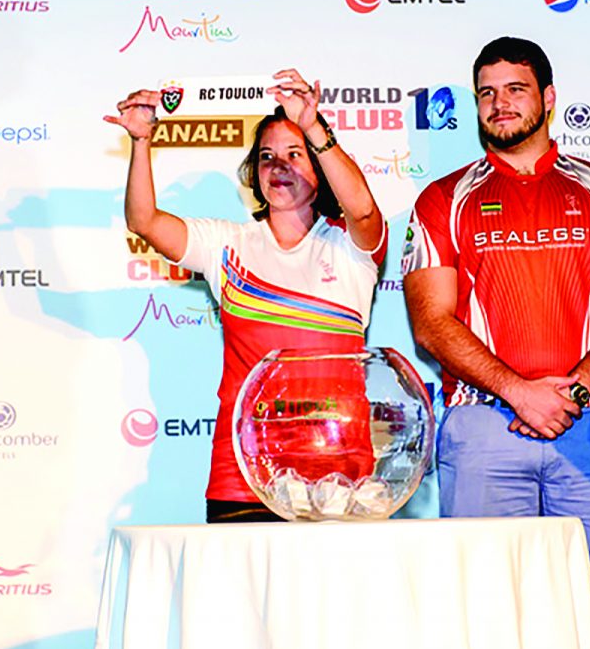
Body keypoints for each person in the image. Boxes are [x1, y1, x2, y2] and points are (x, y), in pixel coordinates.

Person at [401, 37, 590, 649]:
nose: (500, 104)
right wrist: (518, 391)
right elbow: (431, 323)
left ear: (547, 98)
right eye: (486, 93)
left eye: (515, 89)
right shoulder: (441, 199)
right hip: (483, 429)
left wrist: (570, 393)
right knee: (485, 628)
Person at [105, 69, 386, 522]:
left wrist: (313, 125)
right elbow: (145, 222)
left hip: (339, 479)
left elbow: (365, 210)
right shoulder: (226, 244)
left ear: (320, 167)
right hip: (245, 478)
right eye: (267, 157)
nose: (279, 166)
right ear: (255, 172)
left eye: (295, 154)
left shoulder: (350, 247)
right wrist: (141, 142)